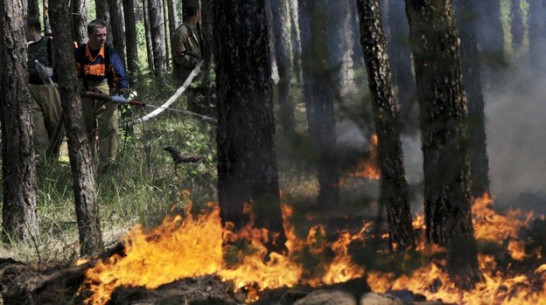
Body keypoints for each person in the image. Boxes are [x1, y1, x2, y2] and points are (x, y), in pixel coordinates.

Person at [74, 19, 129, 172]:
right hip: (84, 94)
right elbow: (68, 75)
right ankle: (87, 166)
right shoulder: (79, 53)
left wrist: (123, 90)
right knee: (86, 129)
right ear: (89, 35)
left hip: (106, 93)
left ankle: (107, 167)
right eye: (99, 35)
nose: (103, 38)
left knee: (110, 128)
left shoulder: (110, 53)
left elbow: (121, 75)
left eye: (105, 35)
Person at [25, 18, 64, 162]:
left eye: (25, 28)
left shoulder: (49, 43)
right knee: (37, 128)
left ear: (32, 29)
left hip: (49, 87)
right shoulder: (27, 48)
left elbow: (63, 64)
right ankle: (43, 162)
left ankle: (54, 157)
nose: (23, 32)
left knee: (54, 122)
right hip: (33, 88)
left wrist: (53, 72)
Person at [171, 2, 205, 113]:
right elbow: (178, 56)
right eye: (200, 10)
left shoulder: (200, 29)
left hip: (199, 75)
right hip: (187, 76)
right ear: (196, 13)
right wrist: (195, 62)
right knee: (193, 107)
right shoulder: (181, 32)